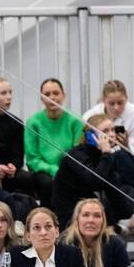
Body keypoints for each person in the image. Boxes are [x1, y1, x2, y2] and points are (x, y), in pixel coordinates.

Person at [53, 113, 134, 231]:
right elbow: (96, 180)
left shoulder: (104, 156)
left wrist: (131, 216)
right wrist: (107, 152)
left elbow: (114, 189)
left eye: (113, 130)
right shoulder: (76, 155)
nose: (112, 134)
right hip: (70, 213)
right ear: (90, 136)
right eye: (105, 131)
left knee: (125, 179)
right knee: (119, 156)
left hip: (89, 208)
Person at [23, 77, 84, 206]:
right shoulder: (33, 122)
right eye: (47, 94)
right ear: (41, 98)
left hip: (69, 170)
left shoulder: (75, 121)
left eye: (56, 93)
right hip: (43, 172)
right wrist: (52, 170)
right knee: (48, 184)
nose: (52, 97)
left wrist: (62, 171)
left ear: (63, 95)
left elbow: (78, 153)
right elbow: (32, 159)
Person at [8, 207, 86, 267]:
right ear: (28, 235)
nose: (43, 233)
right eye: (37, 227)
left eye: (48, 226)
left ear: (57, 231)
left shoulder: (72, 255)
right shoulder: (16, 256)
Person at [62, 198, 134, 267]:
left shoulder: (115, 244)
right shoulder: (64, 244)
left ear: (103, 221)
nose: (91, 220)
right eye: (86, 215)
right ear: (77, 219)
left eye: (97, 216)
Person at [83, 79, 134, 155]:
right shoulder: (90, 116)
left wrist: (126, 146)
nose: (116, 107)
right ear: (103, 100)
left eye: (120, 103)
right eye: (111, 103)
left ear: (127, 99)